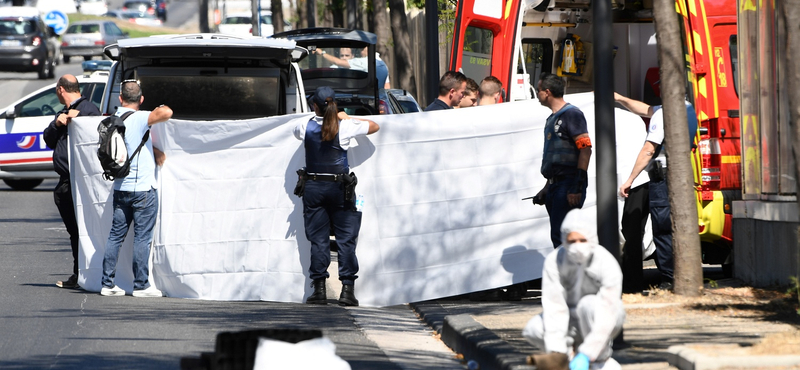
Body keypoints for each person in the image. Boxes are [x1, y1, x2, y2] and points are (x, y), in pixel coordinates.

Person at [293, 86, 379, 306]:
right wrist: (344, 116)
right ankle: (347, 291)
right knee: (346, 240)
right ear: (335, 105)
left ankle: (319, 290)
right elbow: (375, 126)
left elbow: (297, 132)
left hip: (313, 188)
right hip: (340, 189)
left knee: (318, 240)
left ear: (315, 106)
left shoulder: (304, 125)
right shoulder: (346, 126)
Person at [522, 208, 626, 370]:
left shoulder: (605, 261)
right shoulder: (555, 261)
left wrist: (587, 352)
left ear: (591, 238)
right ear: (564, 239)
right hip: (571, 320)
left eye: (582, 240)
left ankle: (598, 359)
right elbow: (555, 306)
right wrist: (557, 353)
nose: (577, 246)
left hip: (600, 316)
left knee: (588, 304)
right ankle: (567, 358)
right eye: (571, 241)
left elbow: (608, 308)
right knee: (534, 328)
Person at [100, 80, 173, 297]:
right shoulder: (141, 117)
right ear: (141, 100)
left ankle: (107, 284)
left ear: (120, 98)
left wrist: (154, 149)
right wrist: (159, 106)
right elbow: (167, 112)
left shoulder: (113, 120)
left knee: (115, 236)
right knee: (142, 238)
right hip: (143, 190)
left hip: (121, 187)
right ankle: (141, 285)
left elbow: (132, 145)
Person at [615, 93, 695, 291]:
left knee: (662, 229)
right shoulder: (688, 108)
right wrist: (619, 98)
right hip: (679, 174)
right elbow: (645, 109)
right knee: (674, 226)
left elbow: (649, 150)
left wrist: (630, 180)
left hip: (663, 176)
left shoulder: (664, 114)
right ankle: (679, 276)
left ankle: (669, 280)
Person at [43, 74, 101, 289]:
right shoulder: (63, 113)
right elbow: (48, 139)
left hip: (80, 182)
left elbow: (95, 138)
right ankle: (80, 273)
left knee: (82, 230)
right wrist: (58, 124)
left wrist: (80, 120)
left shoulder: (88, 110)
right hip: (65, 181)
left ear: (60, 90)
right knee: (74, 231)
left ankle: (84, 275)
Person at [530, 73, 592, 248]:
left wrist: (577, 186)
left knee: (565, 237)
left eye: (538, 90)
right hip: (556, 185)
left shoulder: (572, 114)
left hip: (568, 183)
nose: (537, 94)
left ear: (547, 92)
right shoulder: (552, 118)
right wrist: (547, 187)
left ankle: (574, 273)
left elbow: (585, 149)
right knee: (558, 236)